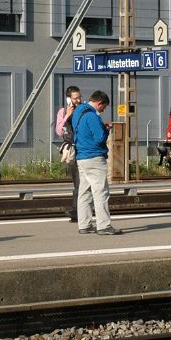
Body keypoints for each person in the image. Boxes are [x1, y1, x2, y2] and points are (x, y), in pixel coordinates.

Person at [72, 90, 122, 235]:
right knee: (101, 192)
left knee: (84, 192)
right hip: (94, 157)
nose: (103, 110)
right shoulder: (92, 116)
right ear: (99, 103)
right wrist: (106, 130)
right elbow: (99, 138)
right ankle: (104, 226)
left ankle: (84, 225)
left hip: (81, 157)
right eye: (103, 107)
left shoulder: (78, 112)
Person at [55, 85, 83, 222]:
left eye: (79, 97)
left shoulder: (83, 110)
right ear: (68, 99)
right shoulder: (63, 111)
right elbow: (59, 131)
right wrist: (67, 116)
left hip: (83, 149)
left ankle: (77, 211)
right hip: (72, 151)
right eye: (75, 98)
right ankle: (77, 211)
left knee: (81, 182)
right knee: (77, 182)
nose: (78, 100)